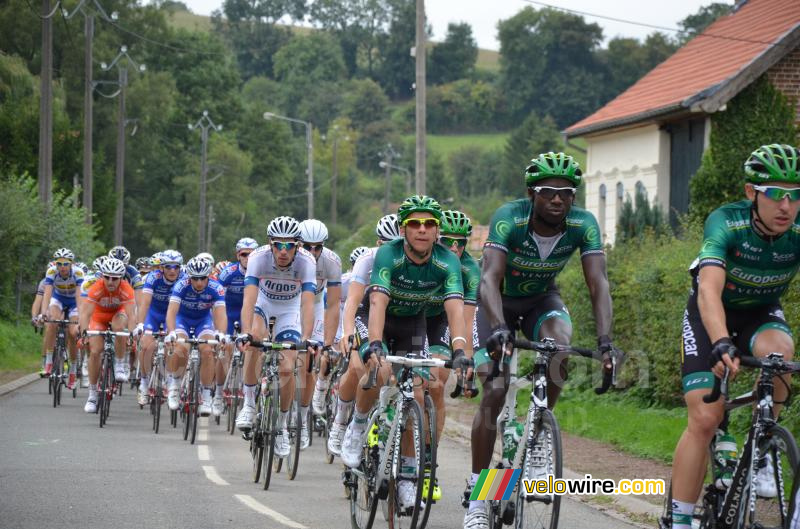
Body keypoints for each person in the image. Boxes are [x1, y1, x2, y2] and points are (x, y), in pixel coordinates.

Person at [463, 152, 614, 529]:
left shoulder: (583, 224)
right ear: (532, 193)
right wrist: (499, 329)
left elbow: (598, 283)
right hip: (497, 304)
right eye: (549, 192)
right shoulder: (509, 218)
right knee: (496, 389)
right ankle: (480, 495)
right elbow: (488, 280)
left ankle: (540, 435)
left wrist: (606, 341)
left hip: (540, 302)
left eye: (567, 193)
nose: (559, 200)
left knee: (560, 348)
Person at [669, 144, 800, 529]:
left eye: (796, 195)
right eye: (776, 194)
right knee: (706, 417)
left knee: (781, 354)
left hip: (760, 314)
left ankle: (762, 449)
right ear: (751, 193)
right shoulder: (727, 223)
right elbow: (708, 289)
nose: (787, 207)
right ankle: (680, 519)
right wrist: (721, 341)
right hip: (711, 315)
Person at [340, 196, 468, 513]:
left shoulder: (446, 261)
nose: (422, 230)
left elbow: (454, 309)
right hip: (382, 318)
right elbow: (379, 302)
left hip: (413, 324)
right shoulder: (388, 254)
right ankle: (356, 428)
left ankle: (409, 478)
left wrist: (461, 349)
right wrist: (375, 343)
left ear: (437, 230)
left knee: (418, 394)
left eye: (429, 224)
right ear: (403, 228)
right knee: (378, 372)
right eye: (415, 223)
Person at [235, 216, 317, 460]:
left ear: (297, 246)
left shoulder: (306, 262)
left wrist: (306, 338)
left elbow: (308, 303)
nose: (283, 251)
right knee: (255, 339)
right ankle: (249, 404)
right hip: (264, 304)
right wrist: (247, 332)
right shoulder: (258, 257)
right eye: (278, 245)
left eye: (289, 245)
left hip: (290, 309)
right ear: (270, 244)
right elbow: (249, 298)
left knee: (287, 365)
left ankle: (281, 425)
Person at [328, 215, 402, 456]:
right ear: (377, 243)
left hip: (398, 319)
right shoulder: (367, 259)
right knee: (360, 367)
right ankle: (341, 422)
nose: (389, 249)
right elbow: (352, 301)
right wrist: (348, 331)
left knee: (421, 384)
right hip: (365, 313)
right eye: (384, 243)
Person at [165, 257, 228, 416]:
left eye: (202, 278)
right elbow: (172, 311)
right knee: (181, 347)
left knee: (207, 350)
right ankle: (175, 385)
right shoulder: (181, 285)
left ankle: (206, 395)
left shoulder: (216, 288)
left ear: (209, 276)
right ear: (189, 277)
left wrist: (221, 333)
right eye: (195, 278)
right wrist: (171, 331)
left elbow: (220, 315)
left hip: (203, 321)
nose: (199, 282)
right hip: (182, 320)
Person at [79, 258, 135, 413]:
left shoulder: (126, 289)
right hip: (99, 317)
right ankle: (92, 394)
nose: (110, 281)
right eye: (107, 277)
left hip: (119, 314)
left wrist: (131, 334)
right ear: (102, 276)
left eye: (115, 278)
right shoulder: (96, 287)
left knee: (119, 328)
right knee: (95, 351)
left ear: (121, 278)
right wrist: (84, 333)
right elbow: (85, 314)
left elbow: (131, 315)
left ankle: (118, 364)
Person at [132, 250, 184, 406]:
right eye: (168, 267)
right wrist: (140, 324)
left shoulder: (184, 279)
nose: (172, 271)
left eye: (176, 267)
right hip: (153, 315)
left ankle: (169, 379)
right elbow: (144, 303)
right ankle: (144, 383)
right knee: (146, 345)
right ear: (161, 268)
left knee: (173, 346)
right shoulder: (152, 278)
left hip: (174, 316)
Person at [214, 237, 258, 416]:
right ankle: (217, 393)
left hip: (252, 314)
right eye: (244, 254)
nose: (248, 258)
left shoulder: (261, 272)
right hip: (230, 314)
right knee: (226, 351)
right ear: (238, 256)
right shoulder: (228, 273)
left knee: (254, 350)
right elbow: (216, 298)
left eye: (252, 254)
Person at [40, 248, 84, 389]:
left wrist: (81, 318)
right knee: (52, 322)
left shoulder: (78, 273)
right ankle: (48, 362)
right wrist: (43, 313)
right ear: (55, 264)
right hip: (58, 299)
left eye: (66, 264)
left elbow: (79, 297)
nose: (62, 267)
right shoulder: (51, 272)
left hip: (74, 302)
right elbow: (47, 294)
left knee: (72, 333)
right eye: (59, 264)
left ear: (72, 264)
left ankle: (72, 371)